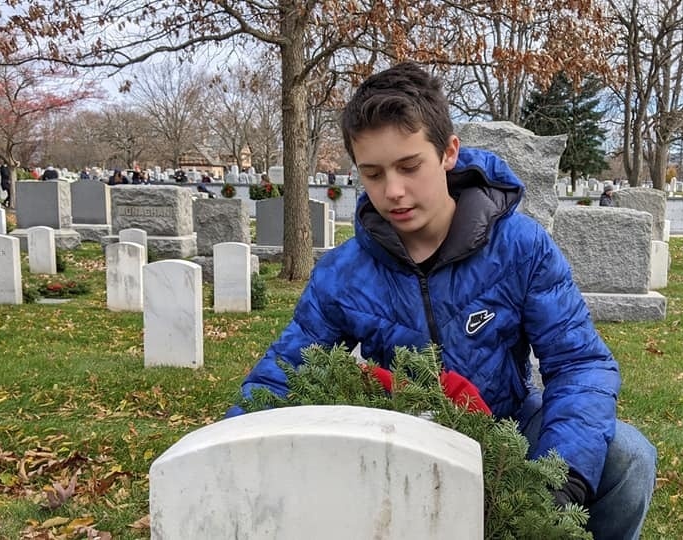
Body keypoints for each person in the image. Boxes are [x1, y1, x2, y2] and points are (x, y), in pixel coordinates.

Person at [225, 62, 656, 540]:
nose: (393, 191)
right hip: (398, 438)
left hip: (507, 428)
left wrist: (559, 480)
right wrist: (224, 457)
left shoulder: (521, 246)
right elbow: (283, 373)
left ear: (448, 152)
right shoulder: (343, 272)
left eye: (410, 167)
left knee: (629, 457)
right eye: (373, 173)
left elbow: (579, 363)